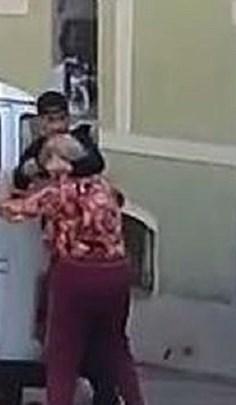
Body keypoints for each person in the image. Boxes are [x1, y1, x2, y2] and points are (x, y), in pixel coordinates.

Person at [1, 135, 144, 405]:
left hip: (76, 274)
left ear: (62, 162)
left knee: (63, 352)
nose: (46, 168)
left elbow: (14, 211)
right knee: (116, 347)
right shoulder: (104, 187)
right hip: (116, 272)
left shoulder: (60, 193)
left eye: (48, 160)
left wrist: (5, 188)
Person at [12, 91, 118, 404]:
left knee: (88, 335)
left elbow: (93, 164)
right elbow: (20, 178)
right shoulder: (38, 150)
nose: (56, 125)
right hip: (61, 253)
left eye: (61, 118)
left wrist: (64, 156)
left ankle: (101, 391)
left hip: (89, 258)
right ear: (40, 122)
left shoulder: (78, 143)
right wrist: (31, 168)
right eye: (50, 119)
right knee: (60, 330)